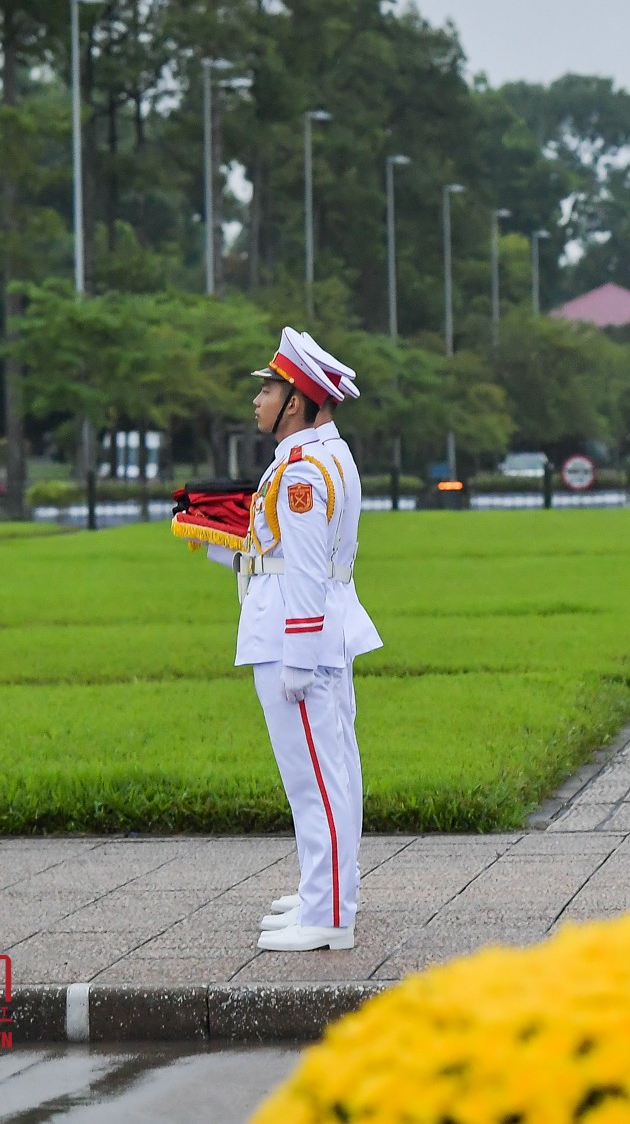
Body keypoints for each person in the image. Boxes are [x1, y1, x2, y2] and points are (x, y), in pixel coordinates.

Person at [226, 328, 381, 952]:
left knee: (315, 779)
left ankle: (328, 915)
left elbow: (310, 568)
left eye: (267, 388)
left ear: (295, 400)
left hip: (298, 637)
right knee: (332, 772)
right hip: (313, 629)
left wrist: (298, 655)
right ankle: (329, 893)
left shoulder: (302, 470)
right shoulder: (319, 456)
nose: (258, 399)